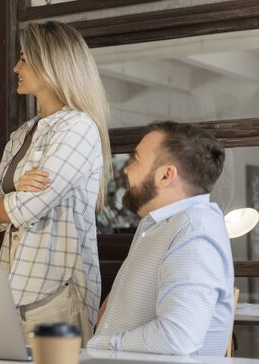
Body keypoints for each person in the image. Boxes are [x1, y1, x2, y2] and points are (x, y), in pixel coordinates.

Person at [0, 21, 112, 343]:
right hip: (10, 290)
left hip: (55, 295)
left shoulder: (77, 128)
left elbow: (22, 210)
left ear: (51, 64)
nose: (15, 67)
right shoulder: (23, 133)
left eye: (24, 58)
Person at [88, 122, 233, 356]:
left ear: (166, 175)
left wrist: (102, 344)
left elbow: (177, 337)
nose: (126, 169)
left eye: (135, 159)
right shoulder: (156, 223)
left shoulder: (195, 232)